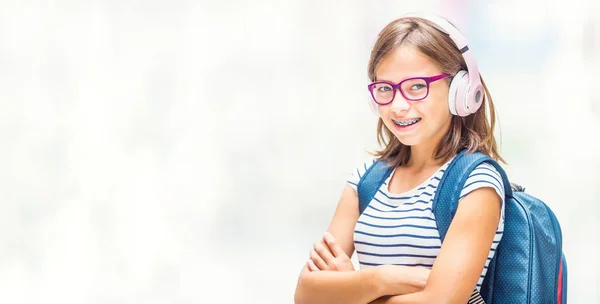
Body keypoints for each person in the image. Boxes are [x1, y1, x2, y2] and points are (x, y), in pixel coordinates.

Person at [294, 13, 506, 304]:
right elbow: (306, 295)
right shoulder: (365, 182)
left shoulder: (476, 183)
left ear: (461, 91)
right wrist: (381, 278)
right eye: (385, 89)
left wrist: (351, 288)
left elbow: (441, 302)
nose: (398, 105)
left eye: (417, 87)